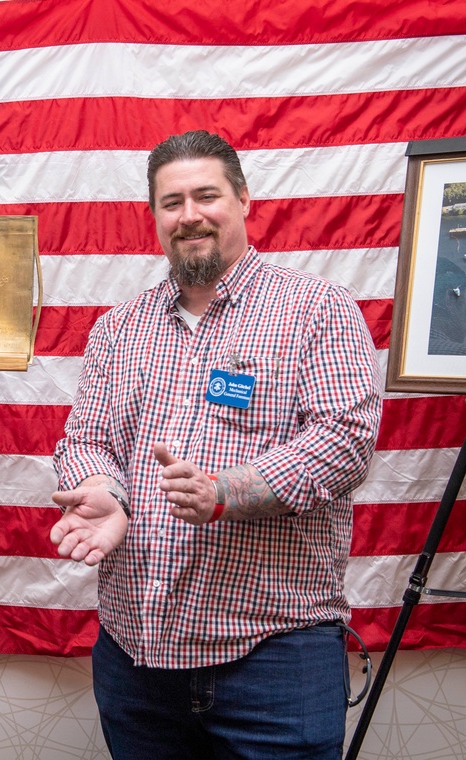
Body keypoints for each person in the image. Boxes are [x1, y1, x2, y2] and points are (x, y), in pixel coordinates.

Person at [51, 130, 381, 759]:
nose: (189, 215)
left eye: (206, 196)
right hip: (135, 661)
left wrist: (224, 492)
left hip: (274, 659)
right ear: (154, 217)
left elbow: (345, 442)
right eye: (171, 203)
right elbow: (86, 438)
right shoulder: (119, 327)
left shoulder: (318, 310)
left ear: (244, 199)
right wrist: (105, 491)